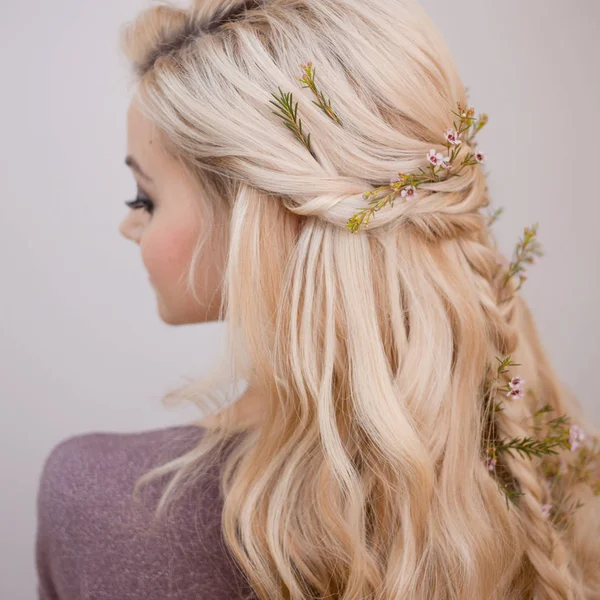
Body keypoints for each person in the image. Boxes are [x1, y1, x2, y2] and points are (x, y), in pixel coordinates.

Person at [35, 0, 600, 598]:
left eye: (143, 197)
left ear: (256, 222)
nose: (130, 225)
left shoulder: (103, 502)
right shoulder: (552, 475)